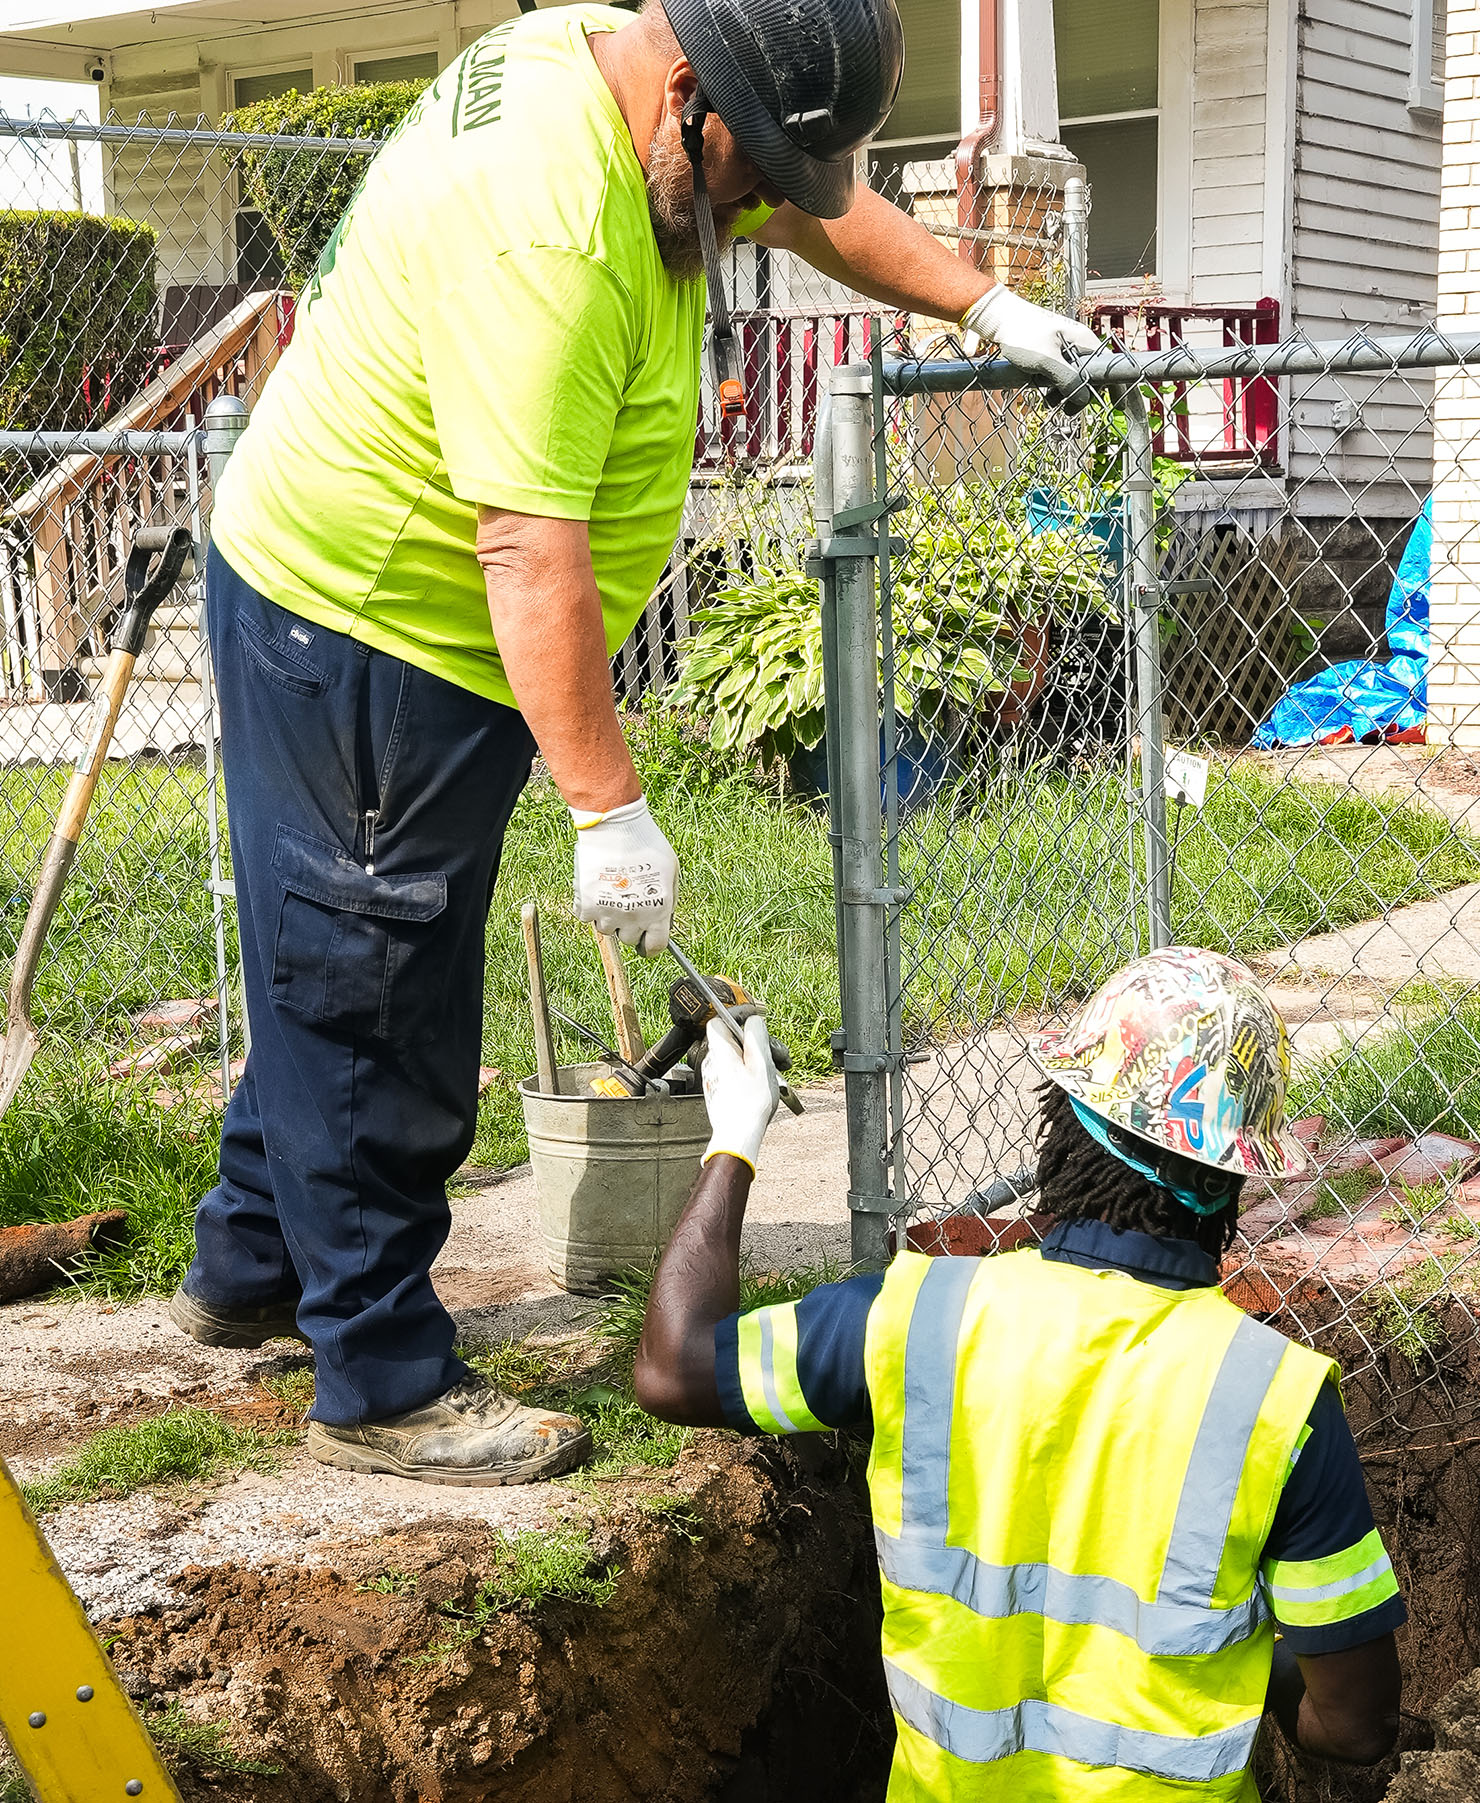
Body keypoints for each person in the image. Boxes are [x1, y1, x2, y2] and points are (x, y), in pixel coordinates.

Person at [167, 0, 1103, 1487]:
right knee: (371, 969)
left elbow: (825, 210)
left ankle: (253, 1261)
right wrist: (610, 807)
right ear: (686, 90)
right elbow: (528, 550)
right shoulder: (544, 217)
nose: (750, 213)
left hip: (397, 602)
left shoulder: (624, 72)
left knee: (341, 949)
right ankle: (381, 1375)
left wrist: (981, 307)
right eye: (745, 174)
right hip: (375, 613)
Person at [636, 947, 1405, 1798]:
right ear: (1235, 1177)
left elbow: (674, 1367)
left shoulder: (912, 1318)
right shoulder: (1276, 1399)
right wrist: (1233, 1648)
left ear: (1062, 1123)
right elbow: (1354, 1724)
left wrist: (735, 1138)